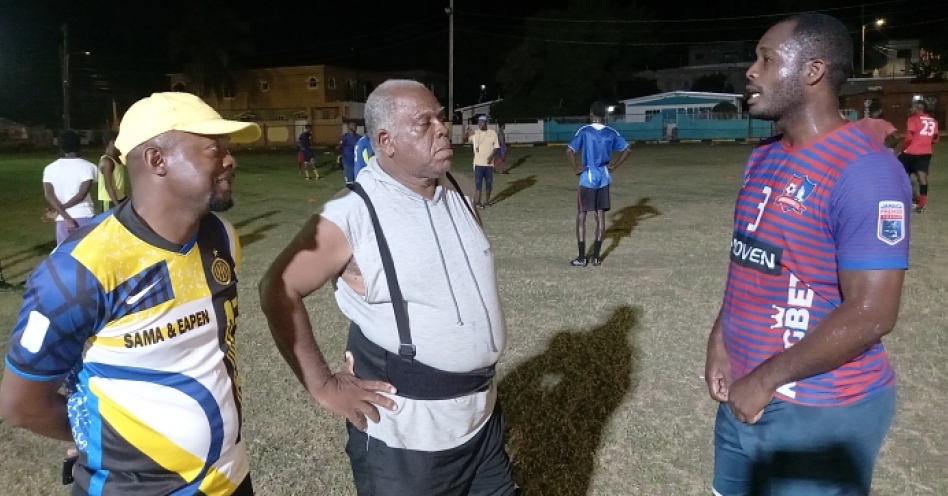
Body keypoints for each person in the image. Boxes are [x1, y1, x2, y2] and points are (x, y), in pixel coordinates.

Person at [259, 80, 515, 496]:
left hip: (482, 420)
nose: (441, 127)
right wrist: (322, 385)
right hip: (407, 439)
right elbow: (278, 287)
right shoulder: (352, 214)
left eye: (440, 115)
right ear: (386, 141)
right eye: (423, 122)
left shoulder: (458, 191)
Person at [0, 91, 261, 495]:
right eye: (214, 148)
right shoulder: (79, 270)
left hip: (230, 478)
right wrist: (101, 438)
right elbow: (21, 405)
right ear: (157, 160)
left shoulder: (222, 238)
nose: (230, 159)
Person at [705, 13, 909, 496]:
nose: (751, 71)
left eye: (767, 59)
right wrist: (721, 338)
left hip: (820, 408)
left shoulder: (866, 172)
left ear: (813, 71)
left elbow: (873, 313)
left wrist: (764, 379)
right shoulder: (764, 155)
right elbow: (750, 261)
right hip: (746, 396)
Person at [566, 101, 631, 267]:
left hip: (587, 178)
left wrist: (575, 168)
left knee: (582, 216)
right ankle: (596, 257)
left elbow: (569, 150)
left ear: (591, 114)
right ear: (605, 115)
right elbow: (627, 149)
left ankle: (581, 258)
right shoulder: (611, 132)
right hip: (603, 178)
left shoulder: (584, 131)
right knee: (600, 217)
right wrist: (615, 165)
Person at [43, 130, 98, 245]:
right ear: (79, 145)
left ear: (61, 147)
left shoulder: (50, 168)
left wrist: (62, 213)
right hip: (84, 216)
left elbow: (49, 194)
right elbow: (81, 195)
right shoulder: (89, 167)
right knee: (87, 256)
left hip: (62, 219)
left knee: (64, 258)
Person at [896, 100, 940, 213]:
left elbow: (909, 138)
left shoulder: (913, 119)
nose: (911, 109)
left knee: (899, 173)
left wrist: (903, 149)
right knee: (922, 178)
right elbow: (935, 138)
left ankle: (904, 200)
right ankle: (921, 204)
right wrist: (925, 142)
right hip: (926, 152)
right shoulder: (933, 121)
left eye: (913, 107)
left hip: (911, 151)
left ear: (917, 108)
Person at [466, 115, 499, 208]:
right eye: (478, 122)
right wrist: (466, 132)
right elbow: (465, 140)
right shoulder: (475, 133)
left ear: (486, 123)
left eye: (482, 122)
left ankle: (487, 201)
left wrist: (491, 157)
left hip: (489, 165)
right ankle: (477, 202)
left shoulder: (492, 133)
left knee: (489, 183)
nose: (479, 124)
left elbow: (496, 148)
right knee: (478, 184)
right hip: (478, 164)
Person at [97, 131, 128, 212]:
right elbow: (108, 186)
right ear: (112, 142)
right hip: (109, 200)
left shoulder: (117, 158)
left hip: (120, 198)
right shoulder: (107, 161)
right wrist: (117, 205)